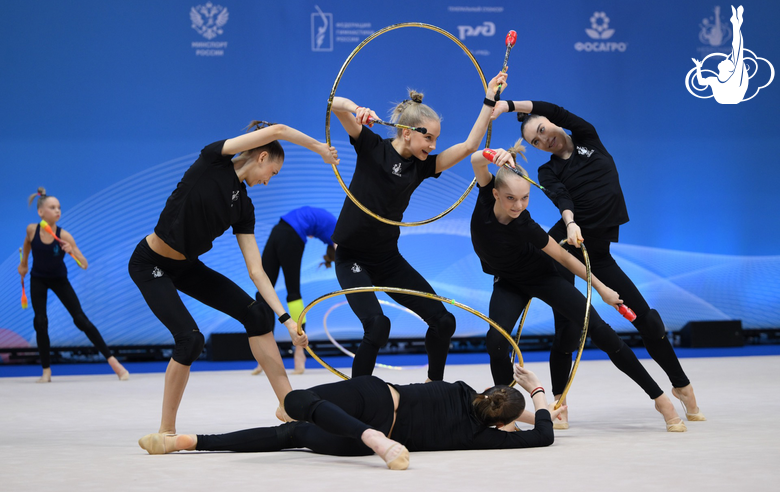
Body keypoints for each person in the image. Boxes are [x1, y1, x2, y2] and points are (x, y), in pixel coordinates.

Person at [492, 98, 704, 425]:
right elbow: (561, 197)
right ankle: (560, 405)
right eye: (535, 141)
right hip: (565, 246)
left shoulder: (589, 138)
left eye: (544, 129)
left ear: (556, 122)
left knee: (648, 321)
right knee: (567, 333)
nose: (544, 140)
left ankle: (681, 385)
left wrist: (508, 104)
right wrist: (571, 220)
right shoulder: (547, 170)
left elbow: (558, 111)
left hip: (598, 254)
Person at [127, 121, 339, 436]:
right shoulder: (213, 160)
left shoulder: (244, 208)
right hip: (151, 263)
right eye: (273, 173)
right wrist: (319, 148)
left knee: (256, 315)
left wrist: (285, 319)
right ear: (263, 157)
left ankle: (287, 405)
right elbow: (279, 130)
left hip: (186, 266)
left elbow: (256, 270)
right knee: (191, 340)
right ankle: (166, 431)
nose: (269, 181)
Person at [327, 71, 508, 381]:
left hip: (387, 258)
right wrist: (356, 108)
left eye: (436, 138)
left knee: (443, 321)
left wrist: (490, 97)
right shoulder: (371, 145)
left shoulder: (422, 167)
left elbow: (468, 146)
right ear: (407, 132)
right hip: (352, 259)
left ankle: (433, 387)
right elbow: (333, 104)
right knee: (378, 325)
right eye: (429, 137)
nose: (434, 144)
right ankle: (358, 397)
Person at [137, 364, 558, 471]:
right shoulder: (480, 436)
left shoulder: (463, 389)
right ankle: (189, 441)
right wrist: (540, 396)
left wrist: (528, 385)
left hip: (373, 394)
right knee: (290, 433)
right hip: (357, 440)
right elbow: (541, 437)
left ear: (486, 392)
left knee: (295, 403)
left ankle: (187, 440)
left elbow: (498, 407)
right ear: (503, 424)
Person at [19, 188, 129, 383]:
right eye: (52, 207)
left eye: (59, 207)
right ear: (41, 212)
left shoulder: (64, 236)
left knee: (80, 320)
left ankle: (114, 362)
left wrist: (72, 251)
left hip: (59, 279)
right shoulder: (31, 229)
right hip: (38, 279)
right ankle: (46, 371)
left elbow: (84, 264)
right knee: (40, 322)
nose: (57, 210)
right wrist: (24, 263)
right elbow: (27, 244)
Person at [251, 206, 337, 375]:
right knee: (262, 293)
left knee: (293, 293)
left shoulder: (337, 235)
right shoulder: (339, 229)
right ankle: (265, 352)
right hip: (281, 230)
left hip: (288, 233)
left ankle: (299, 351)